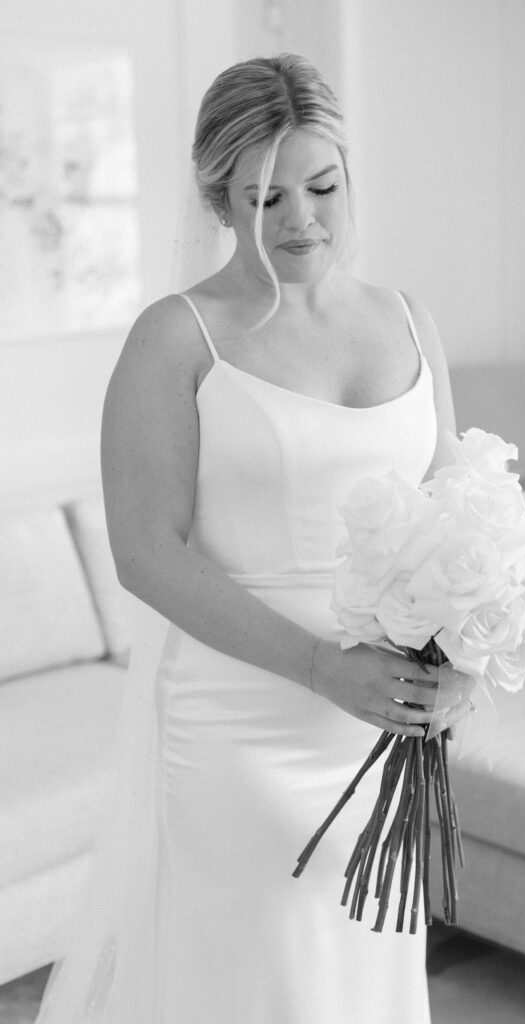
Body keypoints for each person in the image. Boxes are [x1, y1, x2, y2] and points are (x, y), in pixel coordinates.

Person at [34, 53, 474, 1024]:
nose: (300, 221)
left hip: (377, 729)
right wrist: (321, 666)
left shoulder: (409, 319)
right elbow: (146, 550)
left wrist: (463, 660)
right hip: (240, 727)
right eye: (264, 197)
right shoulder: (175, 337)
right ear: (219, 201)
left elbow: (453, 509)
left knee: (361, 978)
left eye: (321, 187)